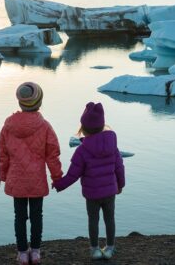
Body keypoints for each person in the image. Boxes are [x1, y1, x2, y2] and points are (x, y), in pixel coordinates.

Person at [0, 82, 63, 265]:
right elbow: (53, 154)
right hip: (36, 180)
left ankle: (22, 253)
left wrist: (3, 175)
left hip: (16, 180)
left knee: (19, 217)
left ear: (20, 103)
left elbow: (3, 154)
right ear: (39, 102)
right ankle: (35, 251)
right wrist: (57, 177)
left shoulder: (8, 126)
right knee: (36, 216)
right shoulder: (45, 126)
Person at [53, 102, 125, 260]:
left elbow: (73, 175)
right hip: (110, 191)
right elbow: (119, 167)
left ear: (83, 128)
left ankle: (95, 249)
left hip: (92, 194)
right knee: (109, 219)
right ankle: (110, 248)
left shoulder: (82, 150)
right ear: (102, 125)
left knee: (93, 220)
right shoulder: (113, 146)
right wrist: (120, 185)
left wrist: (59, 184)